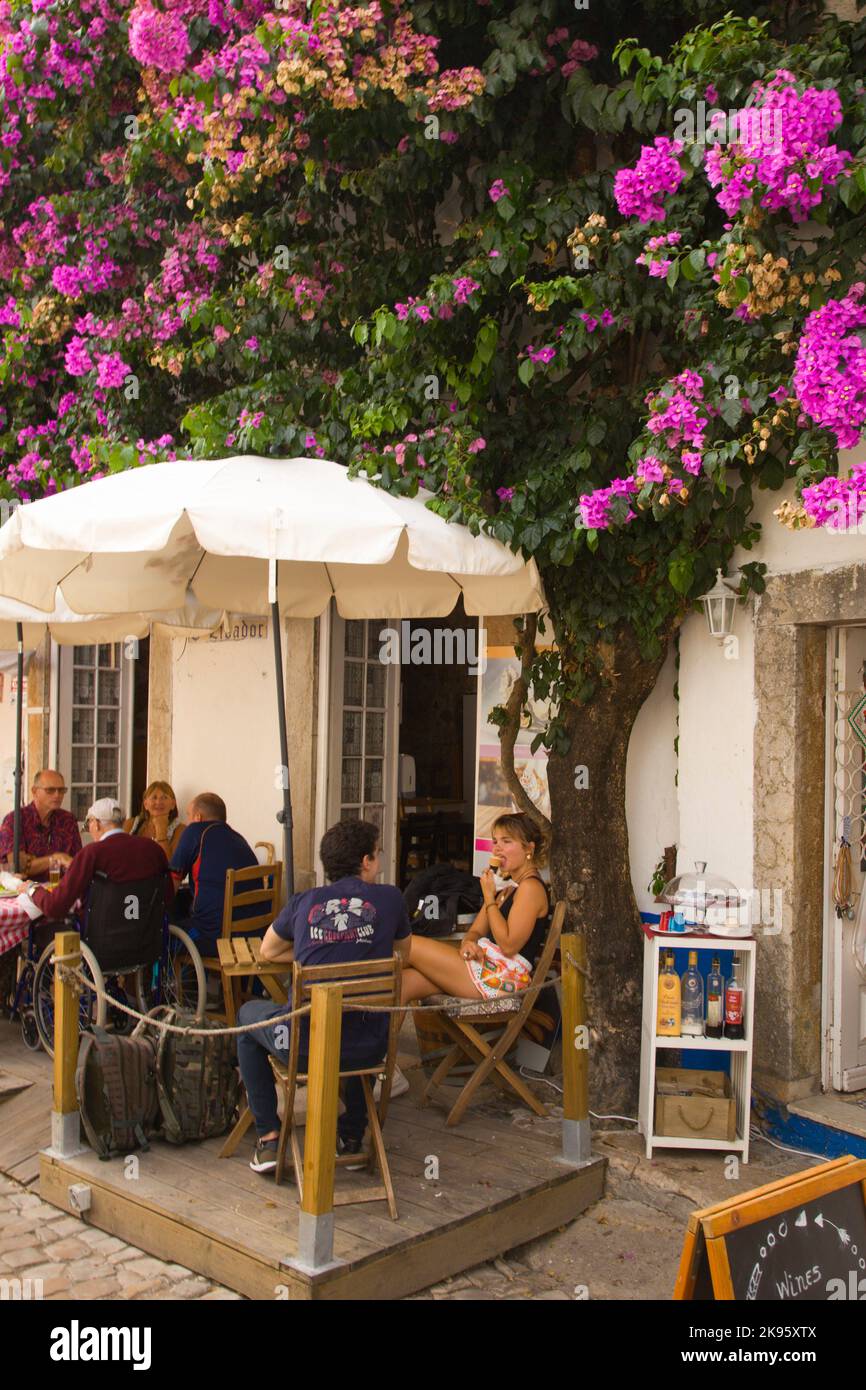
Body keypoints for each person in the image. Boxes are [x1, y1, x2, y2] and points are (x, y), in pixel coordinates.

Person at [239, 819, 410, 1175]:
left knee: (246, 1017)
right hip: (369, 1047)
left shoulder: (306, 901)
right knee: (358, 1017)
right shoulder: (391, 898)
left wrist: (307, 955)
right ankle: (350, 1138)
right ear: (366, 861)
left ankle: (269, 1138)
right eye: (377, 854)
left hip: (301, 1046)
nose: (379, 860)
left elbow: (269, 950)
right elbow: (401, 957)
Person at [400, 812, 550, 1005]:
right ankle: (378, 1035)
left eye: (506, 841)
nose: (497, 849)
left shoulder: (530, 888)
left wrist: (489, 898)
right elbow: (476, 931)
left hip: (502, 979)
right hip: (483, 966)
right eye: (495, 842)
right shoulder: (510, 889)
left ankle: (355, 978)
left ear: (529, 848)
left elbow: (509, 945)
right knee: (404, 983)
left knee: (407, 946)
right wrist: (468, 944)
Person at [15, 797, 174, 925]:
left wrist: (32, 889)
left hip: (102, 942)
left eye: (88, 824)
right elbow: (167, 897)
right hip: (147, 939)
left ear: (96, 823)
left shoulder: (92, 853)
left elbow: (55, 907)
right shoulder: (153, 849)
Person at [169, 792, 258, 953]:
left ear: (198, 817)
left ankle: (176, 979)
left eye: (189, 816)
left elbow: (172, 881)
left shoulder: (194, 831)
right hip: (252, 935)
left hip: (213, 936)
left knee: (162, 935)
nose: (188, 821)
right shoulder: (238, 838)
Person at [0, 769, 82, 882]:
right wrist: (57, 858)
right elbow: (19, 866)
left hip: (61, 892)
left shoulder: (68, 820)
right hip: (24, 894)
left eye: (61, 790)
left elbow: (76, 862)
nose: (57, 795)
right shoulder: (15, 820)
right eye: (50, 790)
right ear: (34, 791)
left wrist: (35, 863)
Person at [124, 781, 185, 861]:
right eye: (154, 797)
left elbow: (169, 863)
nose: (158, 802)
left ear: (173, 804)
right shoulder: (131, 824)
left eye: (164, 797)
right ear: (145, 804)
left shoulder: (180, 830)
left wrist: (161, 830)